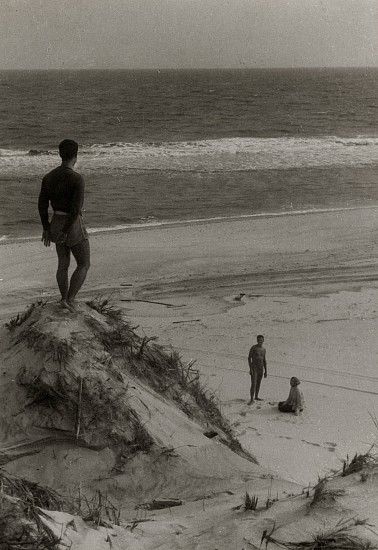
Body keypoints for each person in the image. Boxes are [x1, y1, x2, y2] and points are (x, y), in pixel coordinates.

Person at [38, 139, 90, 312]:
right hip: (71, 224)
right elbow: (76, 210)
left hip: (56, 222)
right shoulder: (77, 178)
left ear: (60, 154)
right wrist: (66, 231)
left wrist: (46, 228)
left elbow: (42, 205)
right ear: (75, 156)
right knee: (84, 263)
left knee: (63, 263)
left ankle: (63, 298)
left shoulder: (49, 177)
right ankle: (70, 299)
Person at [248, 334, 267, 404]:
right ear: (257, 340)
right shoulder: (253, 348)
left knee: (258, 383)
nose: (260, 341)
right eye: (259, 340)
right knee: (254, 383)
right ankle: (251, 399)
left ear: (263, 340)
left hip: (261, 368)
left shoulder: (264, 349)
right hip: (254, 367)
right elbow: (249, 358)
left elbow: (264, 360)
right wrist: (250, 369)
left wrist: (266, 371)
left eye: (261, 340)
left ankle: (256, 396)